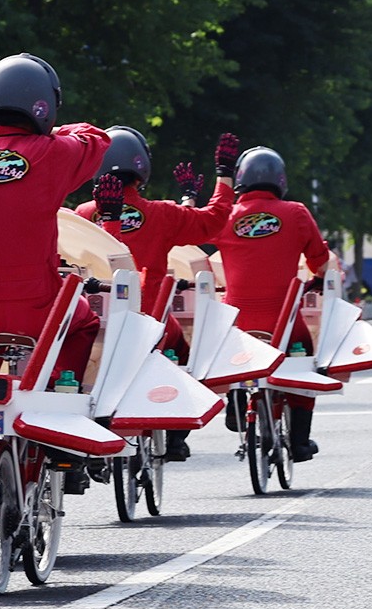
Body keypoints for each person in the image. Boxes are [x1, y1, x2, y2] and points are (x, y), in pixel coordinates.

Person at [0, 53, 110, 555]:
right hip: (39, 304)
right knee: (83, 330)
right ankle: (62, 437)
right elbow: (96, 141)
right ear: (43, 107)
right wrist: (62, 128)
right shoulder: (52, 152)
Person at [74, 126, 237, 458]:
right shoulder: (162, 214)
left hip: (96, 327)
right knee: (181, 344)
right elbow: (213, 220)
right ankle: (177, 433)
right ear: (141, 168)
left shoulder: (83, 215)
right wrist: (224, 177)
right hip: (148, 323)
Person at [217, 145, 332, 462]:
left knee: (230, 357)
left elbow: (193, 234)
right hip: (284, 322)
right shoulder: (296, 213)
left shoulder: (226, 216)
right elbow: (319, 259)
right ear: (280, 180)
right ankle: (299, 441)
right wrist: (318, 280)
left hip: (237, 325)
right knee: (305, 360)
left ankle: (237, 398)